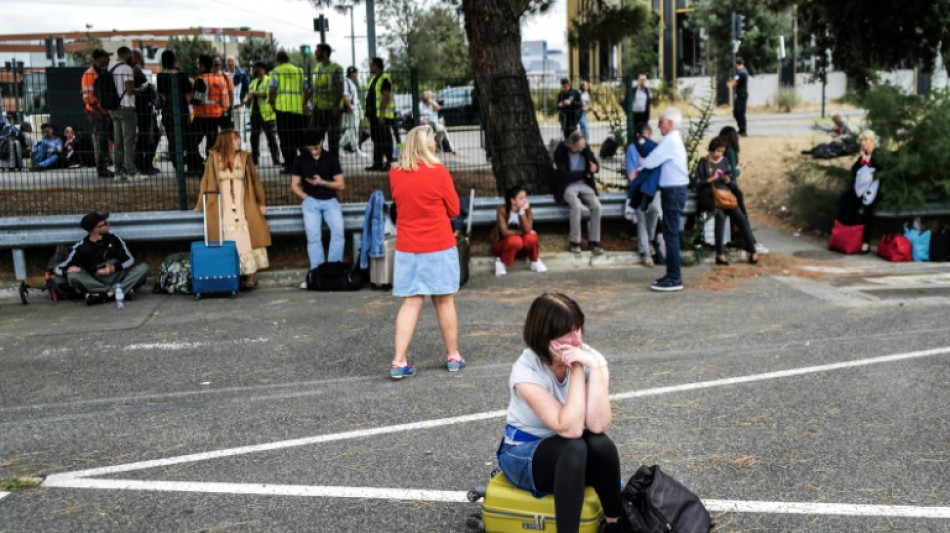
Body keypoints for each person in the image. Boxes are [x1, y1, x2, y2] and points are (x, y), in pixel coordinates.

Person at [497, 292, 622, 533]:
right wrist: (576, 368)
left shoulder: (592, 358)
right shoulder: (525, 370)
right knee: (573, 446)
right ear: (547, 337)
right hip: (522, 455)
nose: (577, 341)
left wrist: (594, 368)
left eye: (579, 330)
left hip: (568, 456)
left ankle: (615, 524)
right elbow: (571, 429)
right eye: (568, 334)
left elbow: (597, 425)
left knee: (601, 445)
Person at [388, 126, 463, 379]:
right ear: (427, 146)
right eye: (434, 143)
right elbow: (454, 210)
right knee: (444, 299)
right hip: (439, 244)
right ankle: (453, 355)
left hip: (408, 247)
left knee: (411, 302)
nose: (436, 146)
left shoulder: (395, 173)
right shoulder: (438, 172)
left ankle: (399, 361)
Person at [195, 130, 271, 290]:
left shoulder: (245, 157)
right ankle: (233, 274)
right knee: (228, 237)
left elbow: (255, 180)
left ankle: (251, 275)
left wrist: (261, 202)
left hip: (244, 204)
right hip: (224, 206)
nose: (239, 141)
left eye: (238, 138)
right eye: (235, 138)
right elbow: (206, 180)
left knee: (246, 237)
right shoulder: (213, 158)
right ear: (226, 141)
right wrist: (201, 204)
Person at [639, 107, 689, 292]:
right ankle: (671, 274)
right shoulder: (673, 140)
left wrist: (641, 167)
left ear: (669, 123)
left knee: (671, 235)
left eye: (660, 122)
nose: (658, 126)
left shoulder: (670, 140)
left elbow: (650, 161)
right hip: (675, 190)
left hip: (673, 191)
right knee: (670, 234)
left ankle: (674, 277)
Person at [54, 211, 150, 305]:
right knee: (73, 277)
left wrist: (112, 269)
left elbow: (130, 260)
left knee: (144, 268)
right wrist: (67, 270)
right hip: (97, 282)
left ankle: (106, 295)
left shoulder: (114, 238)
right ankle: (122, 291)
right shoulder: (82, 247)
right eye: (104, 224)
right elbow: (58, 269)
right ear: (95, 229)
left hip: (119, 277)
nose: (108, 225)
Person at [693, 137, 759, 266]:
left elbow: (732, 184)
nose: (719, 155)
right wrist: (711, 179)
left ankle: (752, 250)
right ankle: (720, 254)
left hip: (725, 195)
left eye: (722, 152)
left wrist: (726, 179)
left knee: (740, 217)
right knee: (720, 217)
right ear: (712, 150)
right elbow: (696, 182)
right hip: (710, 196)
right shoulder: (704, 162)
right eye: (717, 151)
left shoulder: (725, 161)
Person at [291, 130, 346, 281]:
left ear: (322, 141)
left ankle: (334, 268)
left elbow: (341, 184)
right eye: (310, 149)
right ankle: (318, 271)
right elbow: (294, 184)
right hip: (311, 202)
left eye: (316, 148)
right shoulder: (301, 159)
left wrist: (322, 182)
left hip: (330, 200)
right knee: (313, 236)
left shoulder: (330, 158)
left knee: (338, 233)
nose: (313, 151)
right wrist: (305, 197)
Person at [718, 126, 768, 254]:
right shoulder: (731, 152)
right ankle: (752, 243)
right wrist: (741, 168)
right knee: (742, 217)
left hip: (721, 189)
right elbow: (733, 173)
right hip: (732, 188)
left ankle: (744, 241)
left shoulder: (721, 150)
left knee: (736, 218)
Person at [553, 131, 602, 255]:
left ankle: (594, 242)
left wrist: (594, 168)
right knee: (576, 207)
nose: (582, 148)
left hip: (585, 185)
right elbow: (564, 176)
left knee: (596, 206)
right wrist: (585, 172)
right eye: (579, 147)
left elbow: (595, 165)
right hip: (568, 186)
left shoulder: (585, 148)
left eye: (583, 146)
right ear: (570, 144)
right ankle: (575, 242)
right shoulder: (560, 152)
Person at [835, 130, 884, 253]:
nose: (863, 143)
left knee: (868, 209)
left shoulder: (879, 154)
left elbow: (880, 169)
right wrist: (862, 161)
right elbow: (853, 171)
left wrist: (867, 162)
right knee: (846, 198)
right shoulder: (863, 155)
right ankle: (846, 233)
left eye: (866, 140)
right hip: (861, 189)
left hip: (874, 190)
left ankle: (865, 242)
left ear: (872, 142)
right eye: (862, 140)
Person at [156, 49, 200, 176]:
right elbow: (188, 95)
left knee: (172, 141)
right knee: (188, 139)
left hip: (168, 112)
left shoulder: (160, 76)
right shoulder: (182, 75)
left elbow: (161, 96)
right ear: (174, 60)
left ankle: (178, 168)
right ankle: (193, 167)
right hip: (182, 111)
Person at [626, 123, 664, 267]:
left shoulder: (654, 148)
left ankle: (648, 240)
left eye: (649, 135)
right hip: (640, 188)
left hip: (654, 187)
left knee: (654, 211)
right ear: (638, 135)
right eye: (645, 135)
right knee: (641, 216)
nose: (647, 139)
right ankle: (645, 252)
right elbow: (632, 173)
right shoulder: (633, 148)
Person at [491, 185, 547, 277]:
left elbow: (528, 229)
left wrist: (521, 212)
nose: (524, 201)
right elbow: (505, 232)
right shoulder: (502, 209)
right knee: (516, 240)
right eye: (521, 198)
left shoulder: (527, 209)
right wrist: (521, 233)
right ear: (512, 201)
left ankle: (535, 261)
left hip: (521, 246)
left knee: (532, 237)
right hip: (503, 245)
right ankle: (501, 262)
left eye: (525, 197)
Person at [269, 51, 306, 175]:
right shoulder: (299, 71)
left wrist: (272, 102)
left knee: (285, 139)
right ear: (288, 58)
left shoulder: (276, 71)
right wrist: (303, 103)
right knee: (299, 139)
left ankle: (290, 166)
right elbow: (307, 88)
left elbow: (272, 89)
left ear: (277, 59)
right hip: (297, 110)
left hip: (282, 110)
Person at [81, 48, 115, 178]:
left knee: (113, 137)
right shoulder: (89, 75)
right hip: (96, 112)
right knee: (100, 139)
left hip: (107, 111)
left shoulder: (106, 72)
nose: (108, 59)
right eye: (106, 57)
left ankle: (113, 164)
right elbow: (87, 98)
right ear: (98, 59)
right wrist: (98, 113)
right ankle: (102, 168)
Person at [308, 44, 344, 157]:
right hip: (318, 108)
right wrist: (304, 103)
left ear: (324, 53)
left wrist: (336, 106)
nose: (315, 53)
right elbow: (312, 88)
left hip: (331, 109)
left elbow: (340, 88)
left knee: (333, 137)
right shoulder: (316, 68)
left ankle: (333, 163)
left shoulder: (336, 68)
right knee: (317, 137)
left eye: (317, 51)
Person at [192, 54, 229, 163]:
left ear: (203, 66)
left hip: (201, 117)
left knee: (191, 142)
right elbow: (224, 101)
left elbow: (197, 99)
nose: (197, 66)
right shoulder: (219, 80)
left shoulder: (200, 80)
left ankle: (196, 164)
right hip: (215, 117)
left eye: (198, 64)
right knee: (212, 144)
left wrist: (190, 99)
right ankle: (211, 165)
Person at [109, 46, 139, 181]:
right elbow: (130, 89)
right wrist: (141, 89)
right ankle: (131, 172)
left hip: (114, 108)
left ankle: (118, 172)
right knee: (128, 141)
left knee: (118, 142)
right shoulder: (126, 68)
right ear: (126, 54)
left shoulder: (110, 67)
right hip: (126, 107)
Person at [245, 61, 281, 168]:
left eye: (255, 68)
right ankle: (255, 159)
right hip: (254, 114)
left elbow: (268, 94)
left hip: (267, 114)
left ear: (262, 69)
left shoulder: (269, 81)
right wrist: (247, 100)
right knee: (254, 138)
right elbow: (248, 97)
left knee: (271, 137)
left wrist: (255, 93)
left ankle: (276, 159)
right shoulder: (253, 82)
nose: (253, 70)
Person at [132, 49, 160, 175]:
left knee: (149, 137)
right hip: (142, 109)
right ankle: (144, 164)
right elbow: (147, 90)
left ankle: (145, 164)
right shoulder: (134, 73)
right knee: (146, 137)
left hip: (144, 108)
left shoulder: (137, 72)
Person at [365, 57, 395, 172]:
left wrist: (381, 115)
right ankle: (377, 163)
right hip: (374, 116)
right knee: (377, 139)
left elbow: (386, 97)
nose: (370, 67)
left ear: (376, 66)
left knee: (385, 139)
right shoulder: (374, 79)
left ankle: (389, 163)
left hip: (382, 116)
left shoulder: (384, 79)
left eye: (371, 64)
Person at [339, 66, 364, 158]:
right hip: (351, 108)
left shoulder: (352, 83)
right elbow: (345, 96)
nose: (357, 74)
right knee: (351, 130)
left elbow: (352, 96)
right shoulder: (346, 82)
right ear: (352, 73)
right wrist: (351, 107)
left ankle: (356, 149)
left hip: (355, 107)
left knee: (354, 130)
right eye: (356, 73)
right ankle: (341, 145)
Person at [225, 56, 250, 140]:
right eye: (228, 61)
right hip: (227, 106)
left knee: (239, 129)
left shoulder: (242, 74)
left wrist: (243, 102)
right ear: (226, 63)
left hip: (238, 105)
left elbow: (247, 89)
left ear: (235, 62)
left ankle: (238, 147)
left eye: (231, 61)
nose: (230, 63)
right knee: (227, 129)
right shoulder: (223, 74)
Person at [732, 57, 749, 136]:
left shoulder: (741, 73)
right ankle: (741, 129)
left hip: (741, 95)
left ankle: (743, 130)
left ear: (736, 64)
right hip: (740, 95)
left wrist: (732, 83)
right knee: (736, 112)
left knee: (740, 113)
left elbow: (734, 83)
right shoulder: (742, 72)